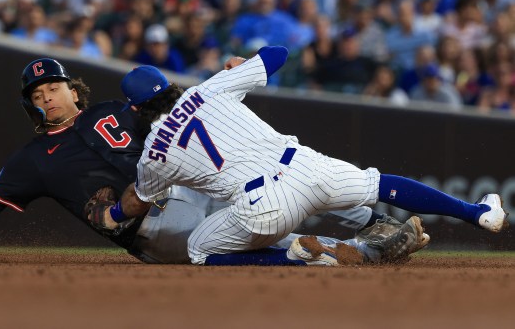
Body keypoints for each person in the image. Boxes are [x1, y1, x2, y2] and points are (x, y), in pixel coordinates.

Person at [0, 58, 421, 265]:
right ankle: (357, 253)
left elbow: (188, 120)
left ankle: (377, 222)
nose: (49, 97)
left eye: (55, 86)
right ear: (31, 107)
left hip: (181, 187)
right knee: (265, 235)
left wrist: (230, 77)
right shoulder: (31, 160)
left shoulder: (118, 110)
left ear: (72, 89)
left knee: (266, 178)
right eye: (38, 94)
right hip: (150, 226)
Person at [105, 46, 506, 266]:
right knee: (377, 183)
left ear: (137, 109)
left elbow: (137, 202)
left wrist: (114, 217)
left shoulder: (152, 157)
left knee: (199, 250)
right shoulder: (204, 89)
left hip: (262, 206)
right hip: (307, 166)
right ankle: (477, 213)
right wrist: (241, 66)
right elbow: (278, 54)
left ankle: (297, 258)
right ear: (169, 87)